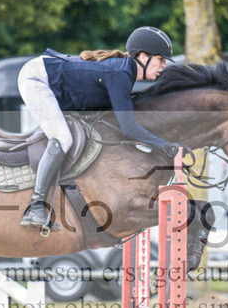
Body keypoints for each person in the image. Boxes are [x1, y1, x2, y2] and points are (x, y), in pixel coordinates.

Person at [16, 26, 183, 232]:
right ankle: (36, 206)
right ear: (143, 56)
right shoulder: (121, 72)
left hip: (48, 76)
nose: (163, 66)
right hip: (36, 78)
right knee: (62, 138)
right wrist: (166, 146)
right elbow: (128, 128)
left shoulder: (125, 72)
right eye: (161, 59)